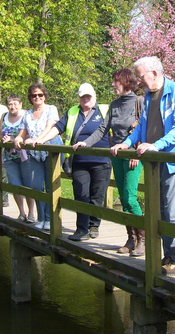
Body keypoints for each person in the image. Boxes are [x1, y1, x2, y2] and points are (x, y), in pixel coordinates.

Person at [111, 56, 175, 276]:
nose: (138, 82)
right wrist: (126, 143)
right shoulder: (147, 97)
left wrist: (156, 145)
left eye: (141, 76)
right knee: (161, 211)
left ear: (154, 74)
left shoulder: (174, 91)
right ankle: (169, 256)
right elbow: (140, 127)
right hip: (155, 163)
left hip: (173, 162)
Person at [73, 69, 145, 256]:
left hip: (133, 158)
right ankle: (131, 239)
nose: (113, 84)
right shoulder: (114, 105)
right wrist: (85, 142)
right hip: (117, 157)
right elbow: (102, 129)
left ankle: (143, 239)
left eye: (116, 81)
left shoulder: (140, 102)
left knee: (130, 198)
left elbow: (145, 129)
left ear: (126, 82)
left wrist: (135, 153)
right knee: (123, 198)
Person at [29, 83, 110, 241]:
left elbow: (118, 131)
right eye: (82, 96)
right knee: (80, 194)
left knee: (97, 195)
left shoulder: (105, 110)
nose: (86, 99)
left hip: (101, 160)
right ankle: (81, 229)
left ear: (94, 96)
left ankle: (94, 225)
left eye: (89, 96)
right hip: (79, 160)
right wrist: (41, 140)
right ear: (79, 98)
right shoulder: (73, 112)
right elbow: (58, 127)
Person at [14, 83, 62, 231]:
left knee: (49, 186)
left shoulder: (51, 109)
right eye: (34, 95)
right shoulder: (27, 114)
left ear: (44, 96)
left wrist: (37, 139)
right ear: (30, 98)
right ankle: (40, 217)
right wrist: (18, 139)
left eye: (40, 95)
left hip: (51, 150)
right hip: (35, 154)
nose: (37, 98)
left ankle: (48, 218)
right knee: (36, 186)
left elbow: (49, 127)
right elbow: (23, 132)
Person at [1, 94, 35, 222]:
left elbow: (31, 133)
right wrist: (5, 139)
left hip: (25, 156)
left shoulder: (27, 115)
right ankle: (22, 213)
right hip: (10, 157)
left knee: (28, 184)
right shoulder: (4, 117)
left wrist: (17, 139)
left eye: (15, 103)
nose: (12, 106)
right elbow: (1, 133)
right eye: (10, 104)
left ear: (21, 104)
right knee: (15, 185)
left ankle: (31, 213)